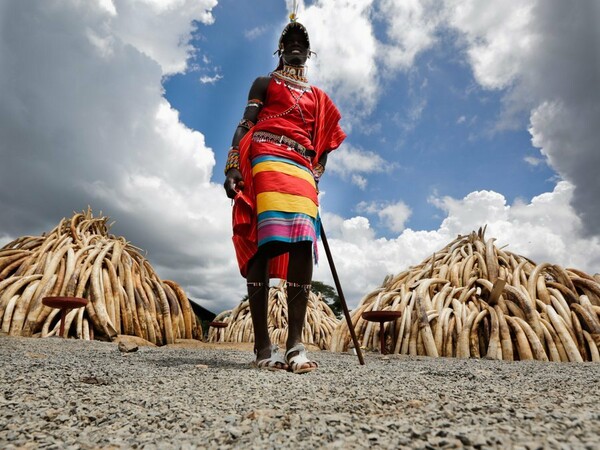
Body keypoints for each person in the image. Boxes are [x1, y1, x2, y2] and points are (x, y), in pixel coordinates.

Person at [223, 16, 346, 374]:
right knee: (266, 240)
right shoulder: (264, 82)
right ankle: (263, 345)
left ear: (309, 53)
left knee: (303, 241)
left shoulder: (319, 98)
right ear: (280, 50)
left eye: (302, 42)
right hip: (264, 155)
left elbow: (328, 139)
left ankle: (295, 344)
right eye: (289, 40)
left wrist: (316, 171)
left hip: (301, 166)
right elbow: (245, 125)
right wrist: (233, 164)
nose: (296, 45)